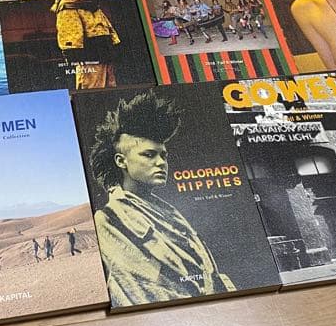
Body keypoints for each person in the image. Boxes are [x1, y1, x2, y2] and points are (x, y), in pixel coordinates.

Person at [88, 90, 235, 304]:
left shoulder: (170, 214)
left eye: (163, 155)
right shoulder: (111, 219)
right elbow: (139, 289)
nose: (161, 163)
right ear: (121, 161)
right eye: (149, 155)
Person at [48, 0, 121, 90]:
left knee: (88, 87)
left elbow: (71, 31)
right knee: (108, 84)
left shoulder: (67, 5)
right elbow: (107, 25)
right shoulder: (91, 3)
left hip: (88, 53)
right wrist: (115, 43)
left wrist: (70, 53)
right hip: (105, 49)